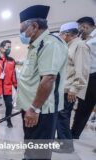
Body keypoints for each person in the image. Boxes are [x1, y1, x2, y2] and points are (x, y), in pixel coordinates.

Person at [17, 5, 68, 159]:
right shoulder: (35, 45)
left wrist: (34, 109)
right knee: (31, 144)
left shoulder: (50, 44)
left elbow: (48, 79)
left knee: (39, 151)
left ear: (34, 26)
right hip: (30, 107)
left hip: (41, 110)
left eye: (22, 30)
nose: (21, 34)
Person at [54, 22, 90, 153]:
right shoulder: (69, 45)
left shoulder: (80, 46)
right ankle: (62, 141)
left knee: (63, 116)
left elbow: (82, 70)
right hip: (63, 87)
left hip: (69, 89)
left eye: (61, 34)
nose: (60, 36)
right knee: (61, 116)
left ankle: (66, 146)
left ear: (67, 34)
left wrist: (75, 88)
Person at [71, 17, 96, 139]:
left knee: (85, 107)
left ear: (88, 26)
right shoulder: (82, 38)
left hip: (94, 75)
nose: (80, 29)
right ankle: (74, 134)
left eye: (82, 26)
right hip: (87, 76)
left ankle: (74, 134)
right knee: (83, 107)